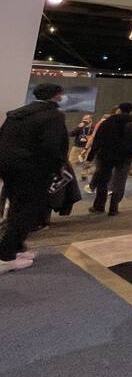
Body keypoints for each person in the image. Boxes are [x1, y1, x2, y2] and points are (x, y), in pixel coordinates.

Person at [0, 83, 69, 273]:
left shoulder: (17, 114)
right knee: (27, 211)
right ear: (56, 96)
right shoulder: (53, 116)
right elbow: (52, 146)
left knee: (16, 206)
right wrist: (58, 168)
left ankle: (14, 248)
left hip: (9, 167)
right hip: (34, 169)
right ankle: (5, 256)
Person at [89, 103, 132, 216]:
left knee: (103, 180)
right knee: (120, 181)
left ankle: (99, 206)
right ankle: (113, 208)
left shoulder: (107, 122)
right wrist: (131, 152)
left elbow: (97, 140)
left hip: (106, 155)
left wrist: (91, 156)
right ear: (131, 111)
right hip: (124, 156)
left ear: (119, 110)